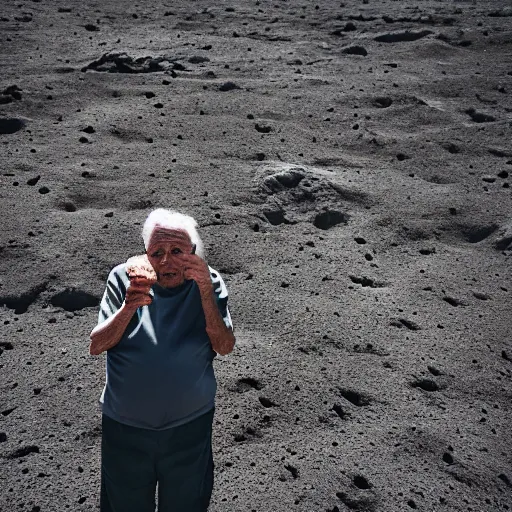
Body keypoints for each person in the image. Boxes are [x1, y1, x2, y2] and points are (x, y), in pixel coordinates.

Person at [89, 207, 236, 512]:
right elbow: (97, 344)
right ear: (145, 255)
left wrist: (206, 292)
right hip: (125, 427)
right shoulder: (123, 278)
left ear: (193, 253)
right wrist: (130, 305)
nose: (166, 260)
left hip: (189, 427)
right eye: (157, 252)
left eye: (177, 250)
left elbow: (223, 345)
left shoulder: (208, 282)